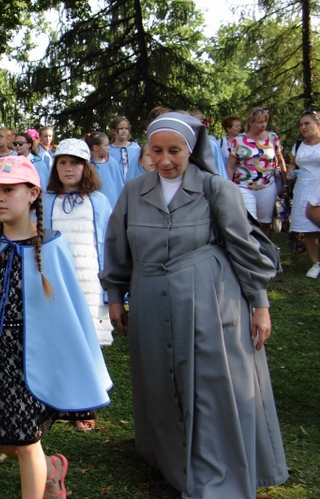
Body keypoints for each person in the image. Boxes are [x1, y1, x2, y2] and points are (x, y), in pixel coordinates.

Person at [100, 112, 288, 496]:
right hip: (151, 299)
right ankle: (171, 459)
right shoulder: (133, 191)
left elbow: (244, 250)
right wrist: (116, 297)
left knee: (211, 385)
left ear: (191, 150)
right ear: (146, 151)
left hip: (211, 301)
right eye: (157, 151)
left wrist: (260, 304)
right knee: (158, 380)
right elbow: (118, 248)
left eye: (175, 151)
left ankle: (217, 469)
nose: (165, 160)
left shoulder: (215, 189)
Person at [0, 155, 112, 499]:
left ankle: (40, 479)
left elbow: (70, 314)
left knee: (26, 442)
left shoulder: (52, 247)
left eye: (10, 190)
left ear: (33, 193)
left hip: (34, 357)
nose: (0, 199)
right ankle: (50, 470)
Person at [43, 138, 114, 432]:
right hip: (56, 280)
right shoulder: (46, 200)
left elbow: (108, 244)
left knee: (86, 344)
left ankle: (86, 406)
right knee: (57, 341)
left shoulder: (98, 201)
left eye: (75, 163)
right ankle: (57, 403)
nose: (68, 168)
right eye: (62, 162)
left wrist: (112, 286)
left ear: (86, 167)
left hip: (89, 280)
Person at [226, 107, 287, 234]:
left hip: (267, 186)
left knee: (265, 223)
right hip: (244, 186)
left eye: (265, 121)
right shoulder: (239, 141)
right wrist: (229, 185)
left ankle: (265, 252)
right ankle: (250, 251)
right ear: (250, 123)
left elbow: (280, 160)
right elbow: (230, 166)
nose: (263, 125)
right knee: (249, 222)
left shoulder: (272, 138)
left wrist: (285, 182)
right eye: (259, 122)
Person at [288, 110, 320, 278]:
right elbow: (292, 164)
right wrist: (291, 173)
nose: (303, 127)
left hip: (319, 185)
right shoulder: (298, 145)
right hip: (303, 187)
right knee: (308, 228)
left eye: (307, 123)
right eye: (301, 124)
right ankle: (316, 263)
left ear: (318, 125)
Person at [85, 132, 124, 208]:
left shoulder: (112, 163)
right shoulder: (86, 165)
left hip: (112, 205)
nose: (108, 147)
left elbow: (120, 185)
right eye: (106, 145)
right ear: (96, 147)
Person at [108, 116, 142, 181]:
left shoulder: (135, 147)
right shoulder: (108, 150)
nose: (124, 131)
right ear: (113, 131)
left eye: (126, 128)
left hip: (134, 183)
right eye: (121, 128)